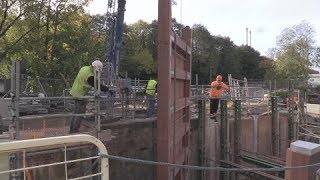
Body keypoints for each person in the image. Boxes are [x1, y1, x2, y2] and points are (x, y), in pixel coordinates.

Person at [69, 60, 111, 133]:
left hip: (74, 92)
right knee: (80, 113)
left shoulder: (84, 68)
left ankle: (72, 129)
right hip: (80, 95)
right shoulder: (89, 76)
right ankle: (74, 131)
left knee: (75, 112)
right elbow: (96, 85)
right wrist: (107, 89)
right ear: (96, 68)